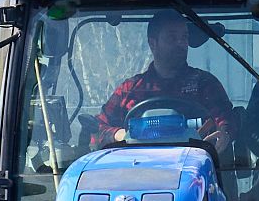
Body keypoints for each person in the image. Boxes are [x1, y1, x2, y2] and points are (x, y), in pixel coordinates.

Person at [96, 10, 236, 149]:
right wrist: (121, 134)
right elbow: (98, 129)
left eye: (184, 37)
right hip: (138, 162)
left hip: (196, 161)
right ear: (153, 44)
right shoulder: (130, 90)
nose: (180, 43)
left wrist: (224, 133)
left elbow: (226, 120)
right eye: (172, 38)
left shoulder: (204, 84)